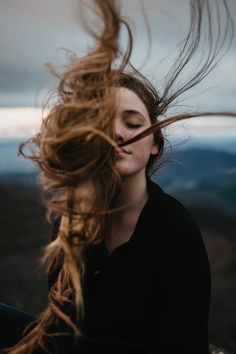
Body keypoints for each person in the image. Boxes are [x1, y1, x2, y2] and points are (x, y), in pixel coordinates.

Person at [1, 0, 234, 353]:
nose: (118, 134)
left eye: (133, 123)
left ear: (155, 144)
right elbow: (60, 321)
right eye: (101, 123)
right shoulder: (69, 218)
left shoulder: (175, 230)